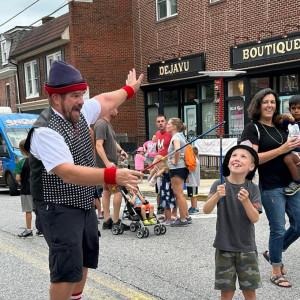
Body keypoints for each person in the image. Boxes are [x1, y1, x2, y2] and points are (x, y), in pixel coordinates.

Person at [24, 60, 143, 300]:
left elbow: (106, 100)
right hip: (56, 206)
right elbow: (68, 172)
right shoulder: (44, 130)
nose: (82, 101)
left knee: (85, 258)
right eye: (75, 96)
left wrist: (130, 89)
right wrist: (113, 175)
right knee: (66, 270)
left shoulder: (77, 112)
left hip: (82, 202)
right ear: (56, 98)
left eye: (82, 95)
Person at [241, 88, 300, 288]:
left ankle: (272, 252)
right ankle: (276, 270)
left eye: (273, 102)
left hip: (291, 183)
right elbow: (251, 158)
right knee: (277, 228)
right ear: (258, 105)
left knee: (299, 224)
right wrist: (283, 149)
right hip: (271, 185)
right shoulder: (252, 128)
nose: (269, 105)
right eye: (265, 102)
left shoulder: (280, 127)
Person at [203, 142, 262, 300]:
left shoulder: (252, 188)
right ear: (228, 162)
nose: (237, 158)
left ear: (251, 166)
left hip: (246, 247)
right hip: (224, 246)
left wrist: (246, 202)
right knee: (226, 292)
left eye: (243, 156)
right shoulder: (219, 184)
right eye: (234, 155)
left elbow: (255, 218)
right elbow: (206, 209)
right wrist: (217, 195)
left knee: (249, 291)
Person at [94, 108, 129, 230]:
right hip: (108, 166)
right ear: (108, 110)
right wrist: (107, 163)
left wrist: (120, 150)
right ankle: (115, 222)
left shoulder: (107, 124)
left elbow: (112, 142)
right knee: (117, 192)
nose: (117, 110)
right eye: (115, 108)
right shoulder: (101, 124)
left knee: (107, 191)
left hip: (109, 164)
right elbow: (98, 145)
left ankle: (107, 220)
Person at [166, 118, 191, 227]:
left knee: (178, 194)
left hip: (177, 168)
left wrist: (175, 161)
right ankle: (186, 216)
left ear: (174, 127)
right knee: (180, 194)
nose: (167, 125)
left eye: (169, 124)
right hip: (182, 168)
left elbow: (177, 150)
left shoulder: (176, 137)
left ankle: (183, 219)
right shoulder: (181, 136)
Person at [15, 139, 42, 238]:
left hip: (26, 189)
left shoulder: (21, 162)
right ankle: (41, 229)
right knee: (39, 209)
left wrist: (20, 181)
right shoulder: (37, 161)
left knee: (28, 210)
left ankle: (29, 230)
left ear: (21, 150)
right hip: (37, 189)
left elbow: (18, 177)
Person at [274, 94, 300, 195]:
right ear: (289, 110)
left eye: (299, 108)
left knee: (287, 159)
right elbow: (276, 122)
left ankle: (297, 182)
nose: (296, 111)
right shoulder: (288, 121)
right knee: (286, 158)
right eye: (293, 108)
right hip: (292, 151)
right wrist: (281, 116)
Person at [149, 155, 176, 225]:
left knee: (167, 204)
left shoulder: (164, 168)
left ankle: (169, 219)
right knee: (165, 204)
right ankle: (166, 218)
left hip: (166, 188)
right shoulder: (165, 168)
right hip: (164, 187)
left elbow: (158, 174)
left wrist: (156, 174)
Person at [155, 115, 173, 215]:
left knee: (167, 187)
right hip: (159, 163)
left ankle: (172, 211)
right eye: (159, 121)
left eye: (162, 121)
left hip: (167, 164)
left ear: (166, 123)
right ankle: (160, 207)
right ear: (156, 124)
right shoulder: (157, 134)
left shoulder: (169, 134)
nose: (161, 123)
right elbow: (159, 149)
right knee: (159, 187)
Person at [187, 146, 200, 214]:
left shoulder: (194, 161)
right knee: (191, 195)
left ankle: (195, 207)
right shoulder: (193, 160)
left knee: (194, 195)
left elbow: (191, 170)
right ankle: (192, 206)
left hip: (194, 182)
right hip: (191, 182)